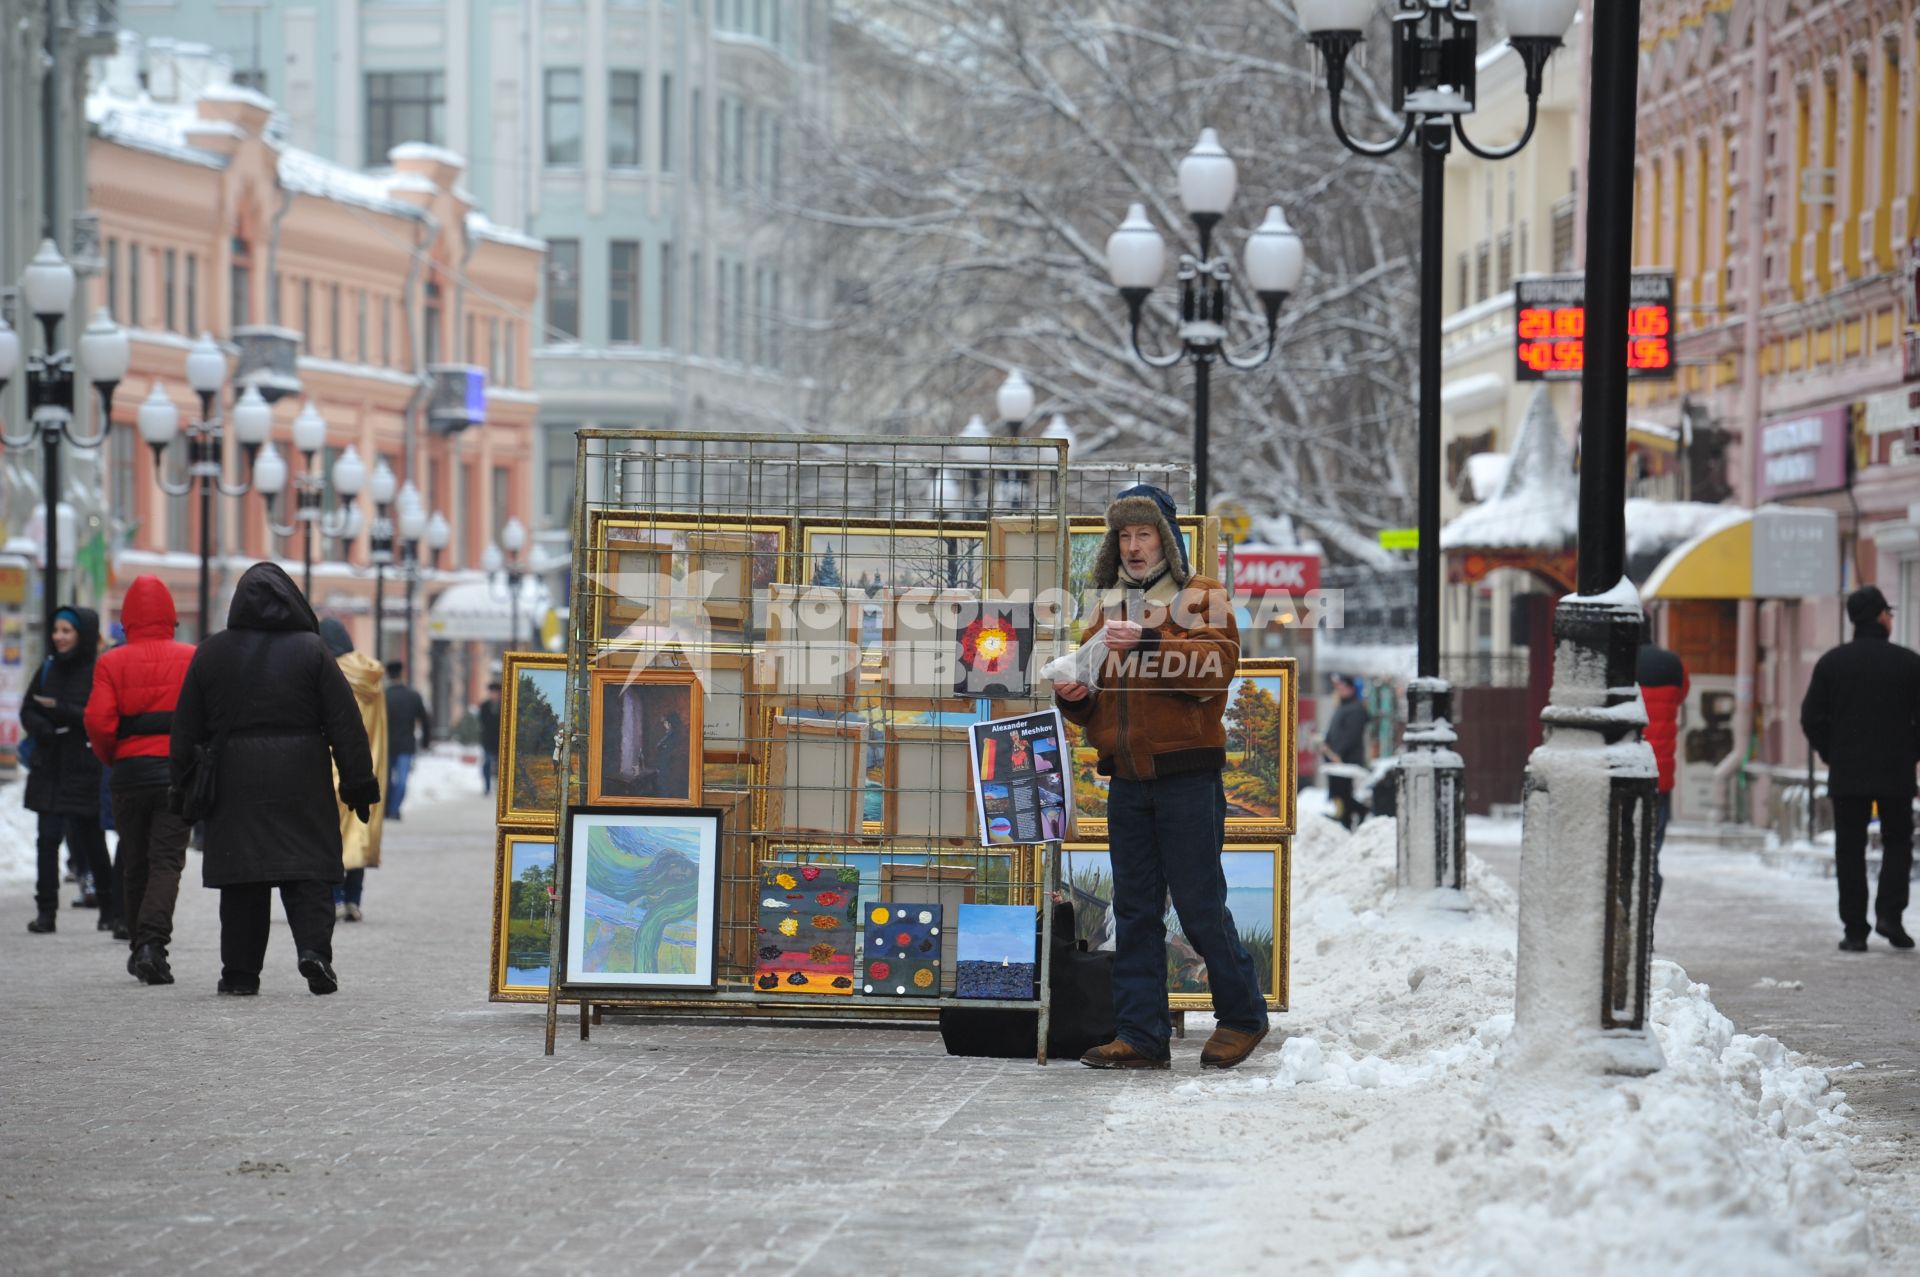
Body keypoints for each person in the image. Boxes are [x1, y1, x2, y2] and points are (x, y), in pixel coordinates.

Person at [1053, 484, 1267, 1071]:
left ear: (1167, 541)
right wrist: (1075, 698)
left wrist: (1149, 640)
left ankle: (1243, 1014)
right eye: (1124, 535)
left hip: (1187, 780)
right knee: (1136, 911)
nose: (1133, 545)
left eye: (1144, 533)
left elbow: (1214, 669)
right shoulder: (1105, 607)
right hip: (1127, 782)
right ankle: (1141, 1035)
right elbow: (1101, 704)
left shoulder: (1204, 596)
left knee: (1199, 906)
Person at [170, 563, 379, 995]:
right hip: (301, 774)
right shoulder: (312, 650)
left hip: (234, 780)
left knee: (243, 878)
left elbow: (185, 728)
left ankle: (240, 974)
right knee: (308, 870)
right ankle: (314, 952)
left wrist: (181, 786)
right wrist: (358, 782)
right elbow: (345, 722)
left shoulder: (211, 652)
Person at [83, 577, 195, 982]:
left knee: (134, 862)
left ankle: (138, 946)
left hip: (128, 774)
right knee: (166, 861)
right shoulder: (191, 658)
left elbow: (97, 720)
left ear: (127, 617)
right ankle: (152, 944)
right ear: (170, 615)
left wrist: (113, 756)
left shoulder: (111, 661)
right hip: (174, 774)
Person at [1800, 585, 1920, 952]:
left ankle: (1855, 930)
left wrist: (1831, 752)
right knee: (1898, 842)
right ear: (1881, 617)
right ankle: (1890, 917)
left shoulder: (1833, 663)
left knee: (1849, 848)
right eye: (1889, 612)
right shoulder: (1909, 663)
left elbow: (1810, 717)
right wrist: (1910, 753)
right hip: (1896, 774)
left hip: (1847, 774)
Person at [22, 606, 118, 937]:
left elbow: (100, 716)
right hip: (49, 765)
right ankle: (46, 912)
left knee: (91, 840)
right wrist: (42, 726)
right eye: (56, 630)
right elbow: (28, 709)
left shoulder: (98, 671)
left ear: (83, 635)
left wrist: (60, 712)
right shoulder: (47, 669)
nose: (58, 637)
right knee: (46, 840)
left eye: (66, 631)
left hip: (83, 767)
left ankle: (108, 908)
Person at [326, 622, 388, 923]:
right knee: (359, 832)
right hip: (368, 766)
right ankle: (353, 899)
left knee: (331, 833)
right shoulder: (371, 675)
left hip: (332, 763)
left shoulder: (327, 673)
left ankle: (335, 897)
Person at [1636, 620, 1688, 928]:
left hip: (1623, 770)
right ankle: (1647, 927)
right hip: (1660, 775)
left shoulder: (1617, 664)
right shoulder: (1673, 665)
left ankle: (1628, 924)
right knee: (1651, 852)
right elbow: (1680, 696)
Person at [382, 659, 431, 821]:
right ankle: (395, 808)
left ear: (388, 674)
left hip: (386, 744)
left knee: (386, 779)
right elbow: (425, 720)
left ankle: (388, 809)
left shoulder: (382, 695)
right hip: (406, 744)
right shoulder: (413, 696)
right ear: (401, 674)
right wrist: (425, 741)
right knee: (402, 780)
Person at [1321, 673, 1371, 830]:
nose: (1340, 690)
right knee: (1337, 790)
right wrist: (1326, 744)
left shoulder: (1355, 708)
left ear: (1350, 688)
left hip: (1346, 758)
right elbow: (1334, 730)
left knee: (1343, 791)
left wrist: (1338, 752)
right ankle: (1344, 816)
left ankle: (1354, 813)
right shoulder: (1342, 706)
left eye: (1342, 687)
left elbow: (1351, 735)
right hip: (1336, 756)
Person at [477, 681, 502, 795]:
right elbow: (481, 723)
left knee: (500, 765)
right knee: (487, 763)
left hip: (501, 740)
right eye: (492, 692)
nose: (493, 695)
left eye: (496, 692)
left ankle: (500, 786)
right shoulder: (484, 706)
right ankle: (487, 787)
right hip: (487, 740)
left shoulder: (505, 705)